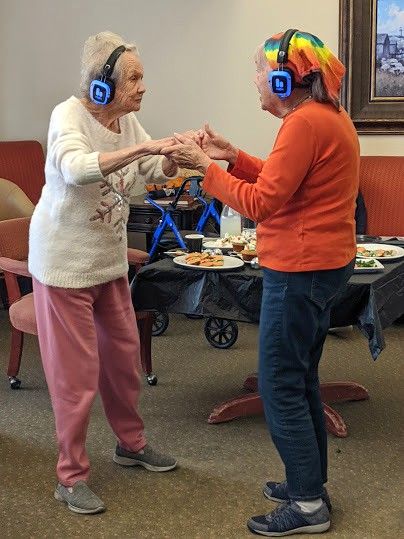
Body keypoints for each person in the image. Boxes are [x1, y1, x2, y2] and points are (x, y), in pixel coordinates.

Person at [161, 29, 359, 536]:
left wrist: (206, 168)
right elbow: (282, 179)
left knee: (279, 386)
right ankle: (307, 484)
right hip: (321, 267)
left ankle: (309, 506)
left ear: (282, 78)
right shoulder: (324, 118)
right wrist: (232, 157)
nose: (255, 80)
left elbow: (260, 203)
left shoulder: (304, 124)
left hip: (298, 271)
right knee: (300, 380)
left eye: (259, 71)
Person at [28, 31, 178, 515]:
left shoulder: (127, 120)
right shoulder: (67, 116)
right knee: (75, 380)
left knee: (122, 362)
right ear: (100, 86)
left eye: (141, 76)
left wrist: (176, 155)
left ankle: (130, 444)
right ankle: (69, 477)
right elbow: (75, 168)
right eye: (133, 78)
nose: (142, 87)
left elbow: (152, 164)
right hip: (65, 266)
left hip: (106, 266)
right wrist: (141, 151)